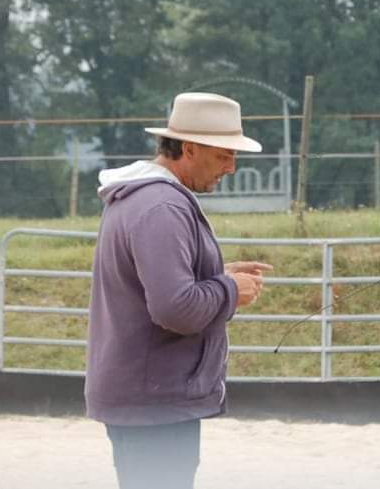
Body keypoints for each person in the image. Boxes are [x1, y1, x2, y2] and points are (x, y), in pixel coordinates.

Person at [86, 92, 274, 488]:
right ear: (189, 149)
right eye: (224, 155)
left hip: (144, 397)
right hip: (154, 402)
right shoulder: (163, 207)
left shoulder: (143, 198)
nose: (232, 167)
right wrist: (228, 289)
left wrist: (216, 275)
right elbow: (176, 310)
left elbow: (158, 287)